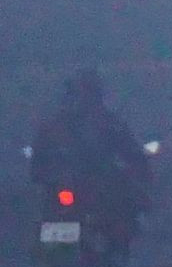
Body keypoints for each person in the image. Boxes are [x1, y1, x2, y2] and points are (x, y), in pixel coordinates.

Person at [30, 69, 154, 257]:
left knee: (124, 215)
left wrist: (138, 175)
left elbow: (133, 156)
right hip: (70, 191)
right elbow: (38, 165)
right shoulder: (57, 127)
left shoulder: (108, 124)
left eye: (88, 93)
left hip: (98, 191)